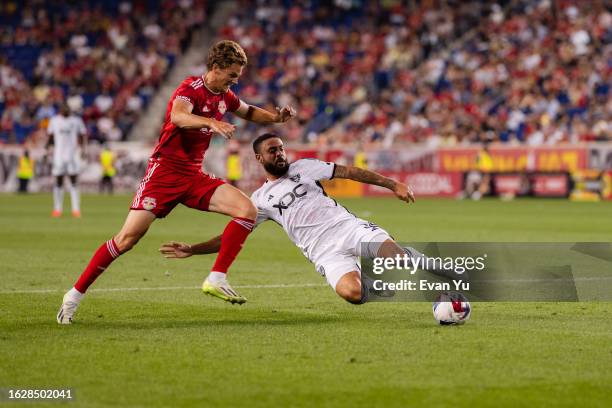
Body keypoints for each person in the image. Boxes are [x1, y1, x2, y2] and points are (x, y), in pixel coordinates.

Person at [57, 40, 296, 324]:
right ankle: (73, 297)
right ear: (216, 68)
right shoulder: (190, 89)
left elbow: (249, 111)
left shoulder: (225, 96)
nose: (234, 81)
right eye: (231, 74)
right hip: (164, 174)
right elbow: (178, 116)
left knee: (247, 210)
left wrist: (276, 118)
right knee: (127, 239)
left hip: (193, 175)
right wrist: (210, 123)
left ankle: (217, 277)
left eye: (238, 76)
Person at [159, 133, 421, 304]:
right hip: (323, 252)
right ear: (260, 158)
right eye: (273, 150)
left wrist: (391, 184)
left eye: (282, 148)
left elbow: (350, 171)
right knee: (352, 294)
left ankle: (443, 289)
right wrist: (193, 249)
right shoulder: (259, 200)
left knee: (397, 258)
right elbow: (231, 237)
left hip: (348, 228)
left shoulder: (304, 167)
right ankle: (374, 285)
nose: (280, 153)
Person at [47, 104, 87, 217]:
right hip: (58, 155)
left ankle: (76, 209)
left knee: (74, 181)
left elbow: (83, 134)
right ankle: (57, 209)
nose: (65, 110)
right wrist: (47, 149)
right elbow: (50, 136)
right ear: (60, 110)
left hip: (72, 155)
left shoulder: (76, 121)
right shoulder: (54, 121)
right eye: (63, 109)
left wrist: (84, 150)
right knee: (58, 181)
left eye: (67, 109)